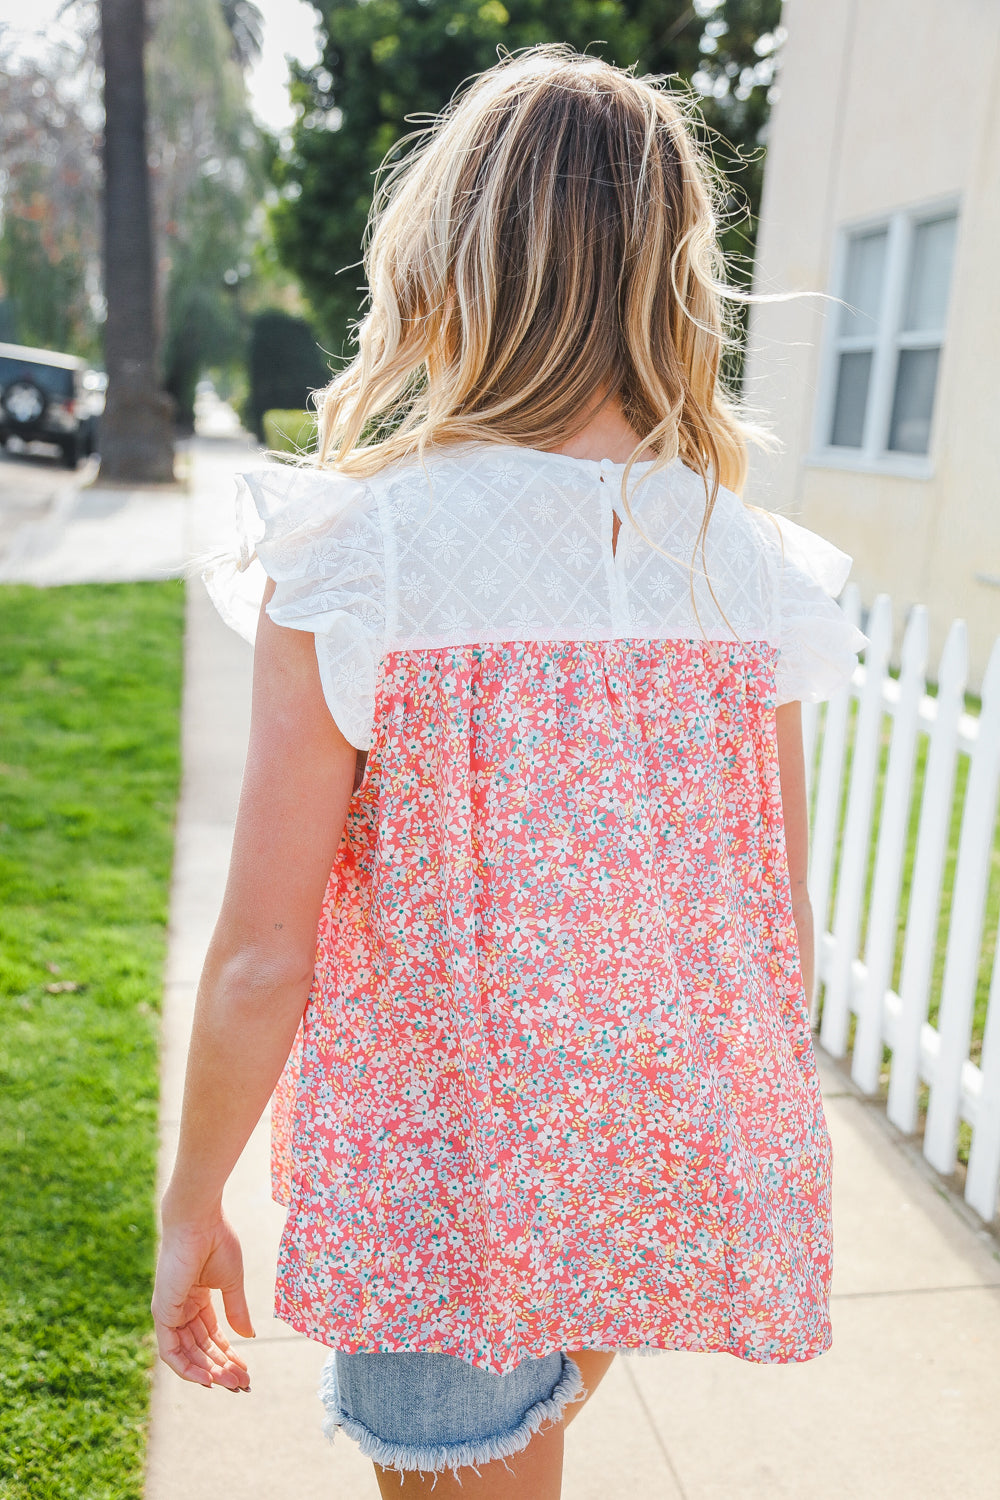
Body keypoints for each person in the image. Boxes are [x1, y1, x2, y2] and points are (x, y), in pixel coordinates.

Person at [152, 44, 869, 1499]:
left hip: (450, 1181)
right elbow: (766, 912)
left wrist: (193, 1194)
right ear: (671, 275)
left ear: (446, 260)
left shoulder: (361, 560)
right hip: (640, 1154)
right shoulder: (747, 568)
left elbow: (259, 960)